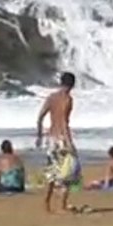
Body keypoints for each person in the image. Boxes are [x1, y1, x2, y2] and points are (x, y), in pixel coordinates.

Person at [36, 71, 81, 214]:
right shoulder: (67, 99)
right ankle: (62, 206)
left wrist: (39, 136)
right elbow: (64, 122)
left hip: (51, 139)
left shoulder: (51, 97)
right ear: (72, 84)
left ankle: (46, 204)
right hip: (61, 139)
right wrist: (69, 142)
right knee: (70, 172)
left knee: (52, 172)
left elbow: (40, 118)